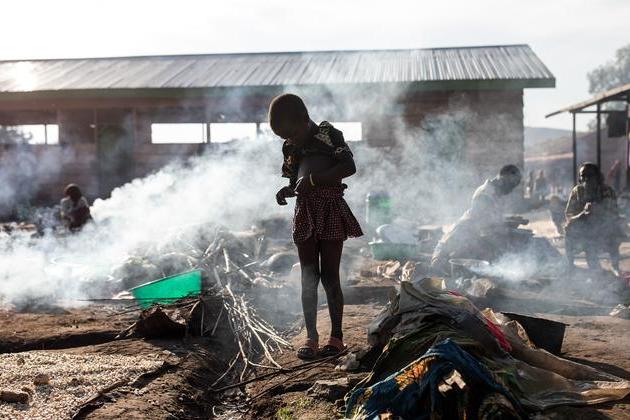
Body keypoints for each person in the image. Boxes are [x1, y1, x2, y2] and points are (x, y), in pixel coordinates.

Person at [269, 93, 363, 360]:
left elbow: (349, 166)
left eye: (292, 133)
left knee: (330, 276)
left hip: (330, 208)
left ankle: (337, 338)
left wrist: (314, 180)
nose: (290, 140)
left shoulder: (329, 134)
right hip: (305, 212)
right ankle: (311, 336)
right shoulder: (290, 148)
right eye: (285, 137)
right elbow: (295, 181)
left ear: (305, 119)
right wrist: (287, 190)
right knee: (308, 277)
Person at [431, 165, 522, 274]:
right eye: (511, 185)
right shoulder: (485, 194)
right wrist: (506, 227)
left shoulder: (493, 193)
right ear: (504, 178)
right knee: (441, 273)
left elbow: (489, 218)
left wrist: (510, 221)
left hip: (467, 242)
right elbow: (484, 222)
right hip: (454, 245)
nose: (511, 190)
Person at [565, 163, 624, 276]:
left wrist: (599, 210)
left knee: (614, 228)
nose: (586, 179)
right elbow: (569, 216)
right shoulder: (577, 191)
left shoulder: (606, 191)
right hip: (584, 232)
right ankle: (570, 266)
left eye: (589, 175)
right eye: (583, 176)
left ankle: (615, 266)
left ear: (597, 177)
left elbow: (614, 215)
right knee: (569, 228)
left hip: (603, 231)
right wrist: (582, 214)